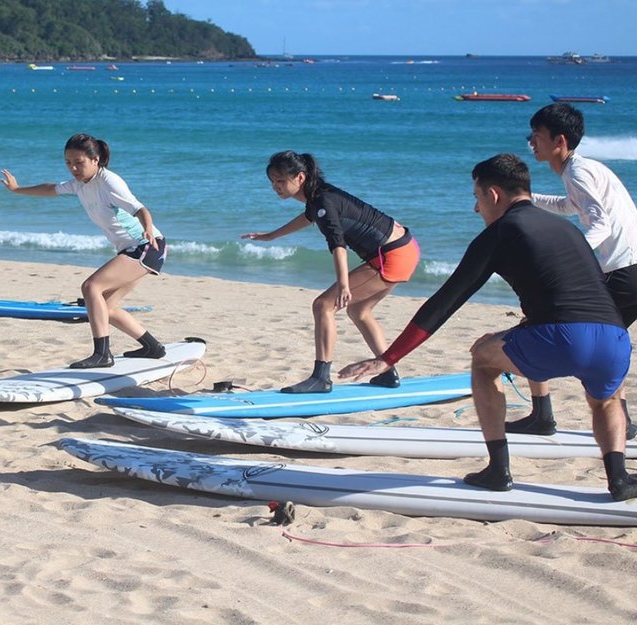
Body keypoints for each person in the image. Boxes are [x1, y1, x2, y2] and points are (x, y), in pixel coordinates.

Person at [340, 154, 636, 502]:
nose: (476, 208)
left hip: (562, 339)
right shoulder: (568, 228)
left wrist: (388, 358)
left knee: (483, 357)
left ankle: (498, 470)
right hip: (615, 340)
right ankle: (619, 479)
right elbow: (580, 285)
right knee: (605, 401)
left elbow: (445, 301)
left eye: (477, 198)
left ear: (494, 194)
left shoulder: (501, 233)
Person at [242, 151, 420, 393]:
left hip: (391, 255)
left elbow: (338, 245)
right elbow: (309, 217)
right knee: (359, 310)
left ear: (300, 177)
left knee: (323, 305)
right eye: (272, 181)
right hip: (405, 249)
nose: (276, 187)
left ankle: (321, 378)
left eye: (281, 181)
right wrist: (272, 235)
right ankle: (387, 371)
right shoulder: (320, 197)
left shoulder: (323, 202)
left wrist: (344, 284)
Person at [513, 103, 637, 439]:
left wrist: (573, 257)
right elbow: (571, 207)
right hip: (626, 270)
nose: (531, 143)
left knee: (542, 324)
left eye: (536, 136)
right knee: (604, 343)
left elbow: (600, 221)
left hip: (625, 272)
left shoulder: (578, 172)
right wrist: (526, 197)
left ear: (560, 140)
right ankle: (618, 422)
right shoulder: (577, 170)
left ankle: (545, 416)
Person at [1, 133, 167, 368]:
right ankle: (153, 347)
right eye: (68, 163)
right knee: (105, 307)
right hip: (132, 249)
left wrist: (147, 229)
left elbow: (140, 209)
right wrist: (17, 190)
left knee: (91, 287)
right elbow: (51, 189)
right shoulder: (79, 184)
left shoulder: (109, 182)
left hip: (146, 246)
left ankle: (102, 354)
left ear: (95, 160)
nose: (73, 168)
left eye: (79, 162)